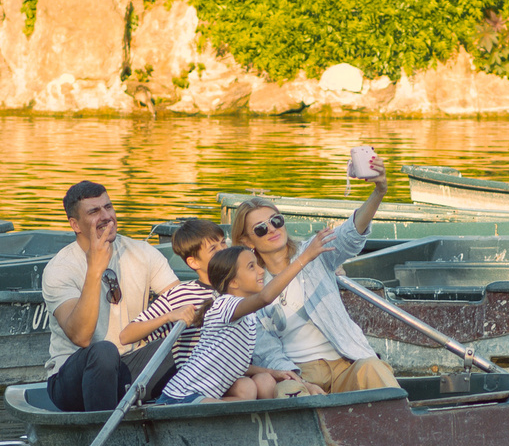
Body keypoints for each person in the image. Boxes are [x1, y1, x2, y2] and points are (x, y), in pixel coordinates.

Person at [229, 149, 400, 394]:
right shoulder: (252, 285)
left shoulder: (313, 250)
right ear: (247, 241)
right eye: (260, 229)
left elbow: (350, 235)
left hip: (344, 364)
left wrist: (379, 191)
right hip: (299, 371)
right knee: (288, 391)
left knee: (373, 368)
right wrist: (302, 382)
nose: (272, 230)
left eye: (276, 220)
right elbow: (266, 350)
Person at [41, 179, 195, 411]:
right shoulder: (60, 269)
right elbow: (81, 337)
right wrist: (94, 270)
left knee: (192, 337)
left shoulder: (142, 252)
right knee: (104, 351)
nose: (106, 216)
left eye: (108, 207)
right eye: (94, 211)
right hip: (75, 379)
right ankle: (104, 437)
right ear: (75, 224)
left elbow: (180, 299)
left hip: (130, 368)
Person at [164, 232, 336, 403]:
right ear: (233, 282)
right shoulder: (224, 305)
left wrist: (272, 372)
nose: (261, 271)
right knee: (229, 412)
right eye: (251, 267)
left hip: (206, 395)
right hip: (182, 395)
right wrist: (304, 258)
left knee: (254, 392)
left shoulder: (248, 317)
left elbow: (235, 363)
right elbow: (265, 298)